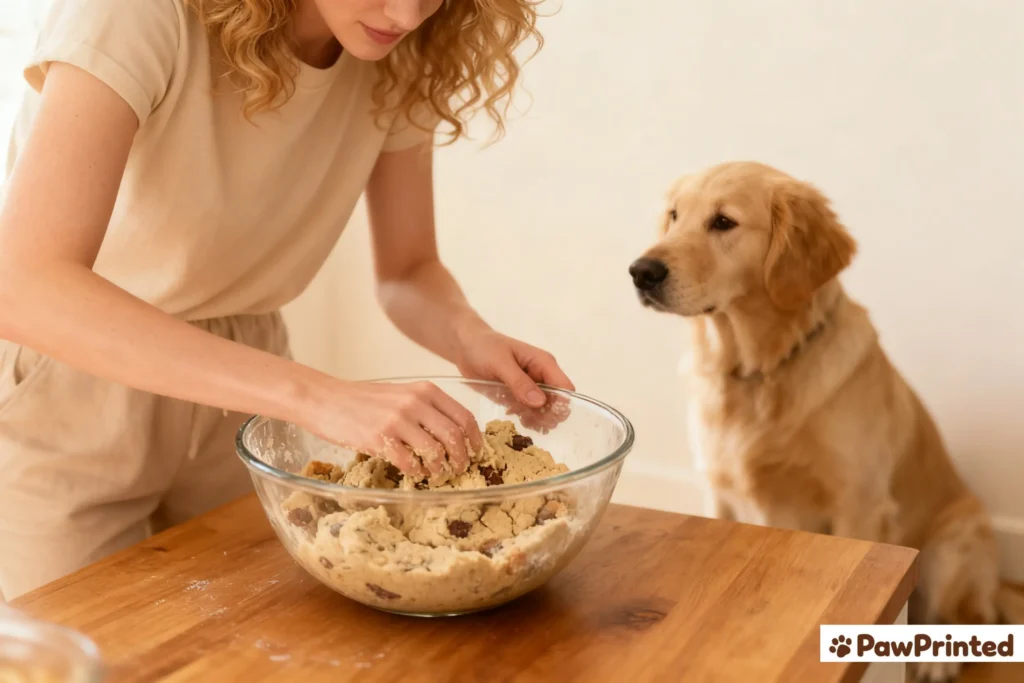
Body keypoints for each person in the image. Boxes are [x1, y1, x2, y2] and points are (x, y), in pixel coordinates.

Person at [0, 0, 574, 601]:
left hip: (247, 386)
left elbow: (408, 270)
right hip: (70, 387)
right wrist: (319, 396)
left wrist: (470, 338)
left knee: (244, 648)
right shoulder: (137, 13)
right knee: (91, 654)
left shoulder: (402, 52)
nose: (406, 15)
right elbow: (26, 283)